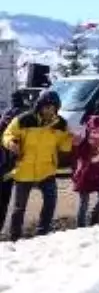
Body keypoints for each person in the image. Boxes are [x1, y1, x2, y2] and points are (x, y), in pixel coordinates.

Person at [2, 90, 72, 239]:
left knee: (50, 202)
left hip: (47, 170)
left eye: (53, 108)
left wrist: (72, 141)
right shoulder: (24, 120)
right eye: (46, 107)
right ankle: (15, 237)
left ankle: (42, 234)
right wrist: (11, 143)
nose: (49, 111)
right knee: (19, 208)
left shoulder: (61, 124)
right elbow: (8, 134)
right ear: (39, 106)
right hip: (24, 169)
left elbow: (64, 142)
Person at [72, 113, 99, 227]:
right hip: (84, 172)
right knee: (85, 200)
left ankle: (93, 218)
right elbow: (77, 152)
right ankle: (81, 224)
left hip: (98, 172)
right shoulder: (84, 134)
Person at [0, 91, 25, 228]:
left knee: (3, 197)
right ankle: (15, 230)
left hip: (5, 163)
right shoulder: (27, 114)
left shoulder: (5, 115)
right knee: (19, 199)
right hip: (20, 161)